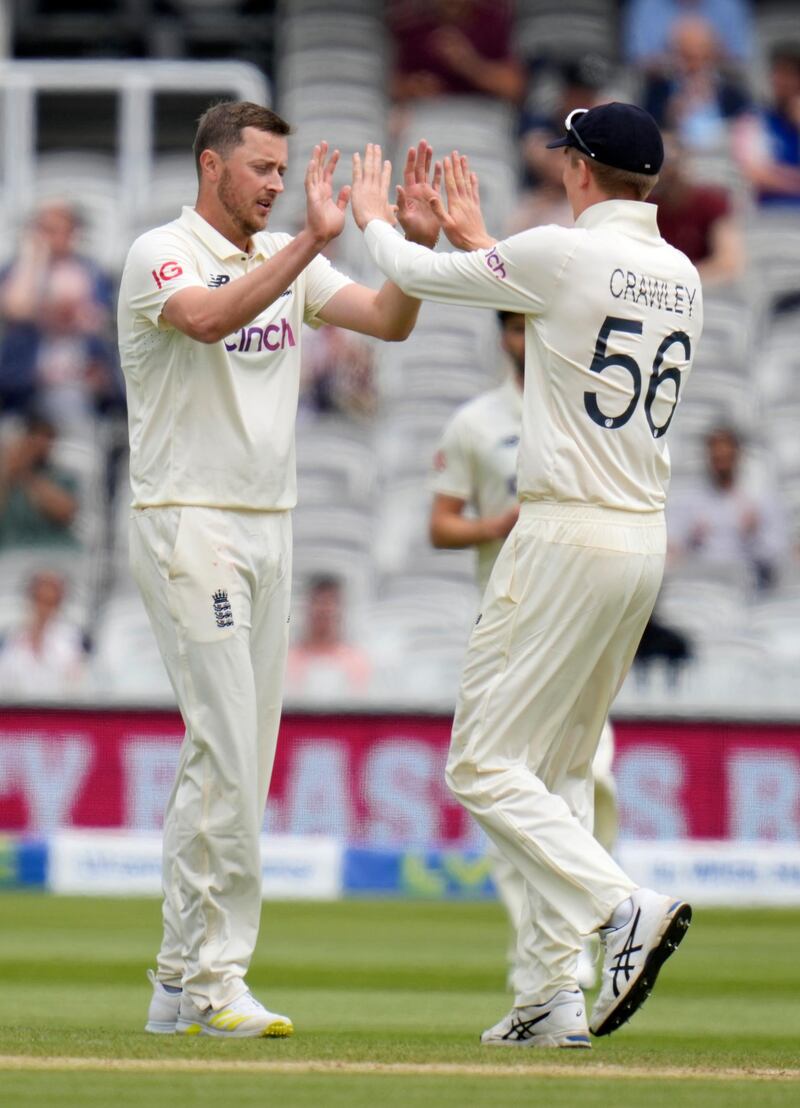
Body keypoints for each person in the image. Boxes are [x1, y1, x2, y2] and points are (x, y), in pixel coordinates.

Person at [351, 102, 702, 1046]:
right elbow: (563, 307)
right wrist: (486, 241)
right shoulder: (678, 273)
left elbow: (421, 275)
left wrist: (374, 216)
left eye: (566, 161)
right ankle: (552, 997)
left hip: (561, 535)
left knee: (480, 762)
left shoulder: (563, 251)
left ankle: (620, 903)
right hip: (640, 541)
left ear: (582, 170)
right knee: (560, 773)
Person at [119, 101, 440, 1039]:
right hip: (190, 522)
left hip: (271, 526)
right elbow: (209, 319)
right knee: (225, 746)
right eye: (260, 168)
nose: (274, 183)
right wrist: (307, 240)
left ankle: (177, 979)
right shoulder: (161, 252)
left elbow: (389, 320)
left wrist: (409, 256)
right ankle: (221, 979)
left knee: (231, 757)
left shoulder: (280, 257)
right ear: (210, 165)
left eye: (280, 169)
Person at [429, 308, 619, 993]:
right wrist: (497, 524)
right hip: (507, 622)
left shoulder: (592, 409)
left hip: (579, 619)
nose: (521, 340)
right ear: (503, 337)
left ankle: (586, 938)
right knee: (511, 797)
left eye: (529, 327)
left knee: (586, 784)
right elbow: (440, 526)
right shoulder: (476, 423)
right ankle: (550, 972)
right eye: (510, 329)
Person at [0, 202, 117, 429]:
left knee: (68, 405)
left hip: (77, 378)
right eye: (43, 229)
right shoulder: (17, 269)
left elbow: (96, 320)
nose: (49, 237)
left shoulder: (91, 270)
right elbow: (17, 309)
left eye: (57, 230)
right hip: (23, 380)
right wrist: (34, 260)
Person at [668, 425, 788, 590]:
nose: (722, 464)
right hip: (703, 581)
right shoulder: (691, 501)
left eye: (727, 457)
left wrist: (753, 533)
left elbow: (777, 552)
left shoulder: (759, 499)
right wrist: (692, 539)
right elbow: (674, 549)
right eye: (717, 459)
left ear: (738, 456)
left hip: (749, 582)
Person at [650, 133, 743, 286]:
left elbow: (729, 261)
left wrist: (678, 281)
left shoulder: (711, 202)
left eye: (671, 163)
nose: (666, 172)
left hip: (702, 289)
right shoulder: (643, 204)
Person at [285, 574, 372, 700]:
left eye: (330, 603)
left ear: (340, 610)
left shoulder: (356, 661)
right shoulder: (289, 660)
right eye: (318, 602)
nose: (324, 610)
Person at [0, 570, 85, 699]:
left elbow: (73, 683)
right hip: (17, 710)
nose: (44, 609)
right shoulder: (12, 638)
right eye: (39, 600)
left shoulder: (73, 639)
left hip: (56, 710)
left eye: (50, 602)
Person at [0, 413, 79, 550]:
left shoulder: (63, 476)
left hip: (54, 552)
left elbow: (66, 513)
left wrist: (26, 474)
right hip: (9, 552)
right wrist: (8, 473)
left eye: (48, 438)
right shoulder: (5, 476)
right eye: (34, 437)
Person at [734, 46, 800, 208]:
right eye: (777, 74)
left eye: (789, 75)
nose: (782, 81)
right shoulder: (754, 119)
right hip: (770, 212)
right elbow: (756, 174)